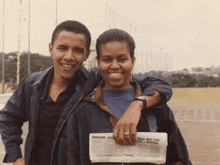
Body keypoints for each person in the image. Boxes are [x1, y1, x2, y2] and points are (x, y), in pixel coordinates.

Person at [0, 21, 172, 165]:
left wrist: (137, 105)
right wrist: (16, 156)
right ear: (51, 49)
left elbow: (157, 85)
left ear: (87, 55)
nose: (69, 56)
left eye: (78, 50)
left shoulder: (94, 80)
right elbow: (8, 118)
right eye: (62, 48)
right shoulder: (32, 85)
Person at [56, 29, 192, 165]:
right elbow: (69, 159)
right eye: (107, 59)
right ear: (98, 62)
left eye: (122, 59)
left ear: (132, 61)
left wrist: (137, 105)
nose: (115, 66)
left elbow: (179, 159)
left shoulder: (156, 106)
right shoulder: (82, 110)